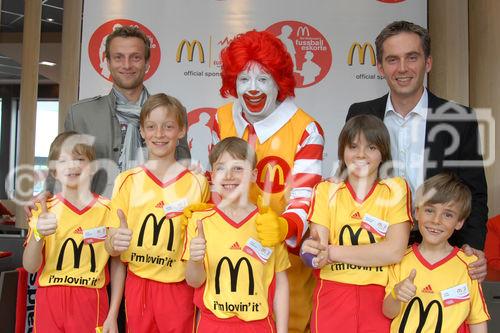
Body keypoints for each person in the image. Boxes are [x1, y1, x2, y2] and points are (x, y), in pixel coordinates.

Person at [212, 30, 324, 333]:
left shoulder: (306, 129)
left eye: (263, 79)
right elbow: (215, 185)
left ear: (279, 82)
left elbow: (305, 195)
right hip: (228, 263)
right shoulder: (220, 119)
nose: (252, 89)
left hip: (283, 265)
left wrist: (285, 227)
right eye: (244, 79)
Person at [346, 20, 488, 253]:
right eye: (392, 59)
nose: (403, 68)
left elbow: (474, 193)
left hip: (442, 248)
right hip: (373, 246)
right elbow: (350, 182)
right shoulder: (360, 114)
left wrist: (471, 247)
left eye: (412, 57)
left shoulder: (458, 118)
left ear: (428, 62)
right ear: (380, 67)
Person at [104, 93, 209, 332]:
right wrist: (113, 242)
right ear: (141, 131)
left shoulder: (197, 183)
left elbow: (203, 253)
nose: (159, 134)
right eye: (151, 127)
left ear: (181, 131)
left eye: (168, 126)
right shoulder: (126, 181)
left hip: (179, 289)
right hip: (138, 287)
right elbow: (113, 252)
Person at [301, 115, 412, 332]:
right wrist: (315, 252)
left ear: (383, 153)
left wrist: (331, 252)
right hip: (332, 294)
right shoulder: (326, 190)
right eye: (353, 146)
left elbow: (394, 251)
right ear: (343, 151)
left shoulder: (396, 189)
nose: (360, 154)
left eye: (371, 147)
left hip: (380, 296)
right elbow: (318, 251)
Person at [64, 25, 190, 197]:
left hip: (156, 216)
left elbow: (184, 169)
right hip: (99, 218)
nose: (127, 65)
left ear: (147, 63)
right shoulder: (80, 115)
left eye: (135, 57)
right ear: (108, 62)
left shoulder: (173, 113)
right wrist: (46, 194)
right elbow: (63, 171)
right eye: (118, 57)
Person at [183, 137, 290, 333]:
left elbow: (280, 283)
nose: (229, 175)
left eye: (238, 168)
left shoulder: (267, 222)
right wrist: (195, 260)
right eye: (221, 168)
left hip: (258, 326)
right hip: (212, 324)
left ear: (253, 175)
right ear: (213, 176)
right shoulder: (199, 220)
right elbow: (194, 281)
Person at [23, 131, 112, 332]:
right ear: (54, 171)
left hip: (91, 298)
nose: (72, 166)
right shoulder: (44, 208)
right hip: (50, 298)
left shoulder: (108, 209)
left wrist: (113, 313)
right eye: (63, 161)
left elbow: (116, 262)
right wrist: (38, 233)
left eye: (79, 159)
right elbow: (30, 266)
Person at [383, 173, 490, 332]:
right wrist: (396, 294)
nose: (436, 220)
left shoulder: (468, 265)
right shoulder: (400, 259)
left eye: (448, 214)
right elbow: (388, 312)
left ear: (459, 222)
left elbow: (477, 321)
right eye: (429, 210)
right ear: (417, 212)